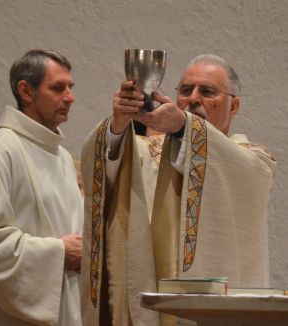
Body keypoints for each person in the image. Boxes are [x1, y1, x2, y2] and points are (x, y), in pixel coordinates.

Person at [80, 54, 276, 326]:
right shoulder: (148, 151)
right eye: (185, 90)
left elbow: (250, 176)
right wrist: (119, 124)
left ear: (234, 106)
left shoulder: (253, 159)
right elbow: (106, 170)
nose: (193, 98)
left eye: (207, 91)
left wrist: (185, 127)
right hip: (151, 301)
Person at [0, 49, 84, 325]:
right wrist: (58, 253)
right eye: (58, 88)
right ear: (26, 91)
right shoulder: (0, 151)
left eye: (70, 88)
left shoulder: (62, 158)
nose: (70, 98)